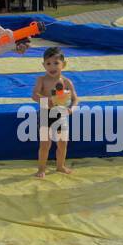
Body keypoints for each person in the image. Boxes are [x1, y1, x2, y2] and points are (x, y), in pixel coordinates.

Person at [31, 46, 76, 177]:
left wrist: (71, 109)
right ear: (43, 65)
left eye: (56, 63)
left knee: (63, 144)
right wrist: (46, 100)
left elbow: (75, 99)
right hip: (46, 114)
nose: (52, 67)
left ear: (64, 64)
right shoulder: (42, 80)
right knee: (45, 144)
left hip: (61, 115)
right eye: (48, 63)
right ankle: (41, 169)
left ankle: (60, 166)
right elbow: (34, 95)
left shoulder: (66, 82)